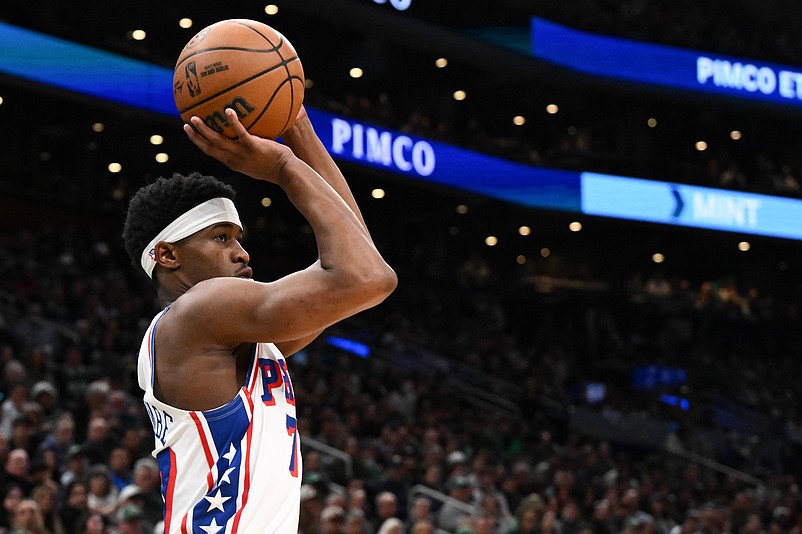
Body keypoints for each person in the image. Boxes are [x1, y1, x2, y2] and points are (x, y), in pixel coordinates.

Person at [122, 106, 397, 533]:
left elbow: (358, 252)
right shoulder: (198, 312)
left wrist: (296, 126)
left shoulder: (233, 338)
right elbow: (369, 276)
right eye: (221, 238)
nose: (242, 252)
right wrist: (284, 165)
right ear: (169, 255)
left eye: (238, 238)